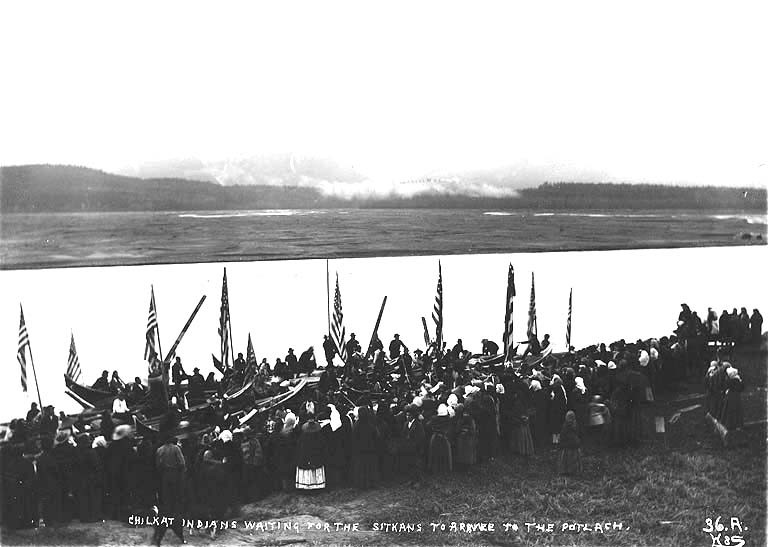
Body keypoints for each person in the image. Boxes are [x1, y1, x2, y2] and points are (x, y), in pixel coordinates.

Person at [153, 435, 186, 545]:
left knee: (164, 503)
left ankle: (161, 529)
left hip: (164, 478)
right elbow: (182, 463)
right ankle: (177, 527)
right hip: (175, 477)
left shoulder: (159, 450)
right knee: (175, 502)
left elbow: (158, 465)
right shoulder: (176, 448)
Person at [295, 410, 328, 491]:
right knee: (316, 468)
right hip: (316, 455)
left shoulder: (303, 436)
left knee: (307, 470)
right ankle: (317, 485)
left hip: (306, 455)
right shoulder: (319, 435)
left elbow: (300, 446)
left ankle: (307, 485)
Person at [351, 406, 381, 489]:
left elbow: (354, 437)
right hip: (371, 449)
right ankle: (372, 483)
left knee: (362, 467)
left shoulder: (357, 425)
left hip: (360, 450)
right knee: (371, 467)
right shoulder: (371, 424)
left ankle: (362, 484)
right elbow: (376, 436)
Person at [427, 404, 454, 473]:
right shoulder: (448, 419)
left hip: (435, 438)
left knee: (434, 454)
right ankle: (444, 469)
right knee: (445, 454)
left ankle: (435, 469)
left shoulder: (434, 418)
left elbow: (428, 425)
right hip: (444, 438)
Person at [559, 410, 582, 475]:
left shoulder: (567, 425)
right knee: (572, 458)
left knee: (568, 458)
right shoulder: (575, 424)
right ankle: (572, 470)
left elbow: (563, 434)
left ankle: (568, 470)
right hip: (572, 443)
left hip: (569, 444)